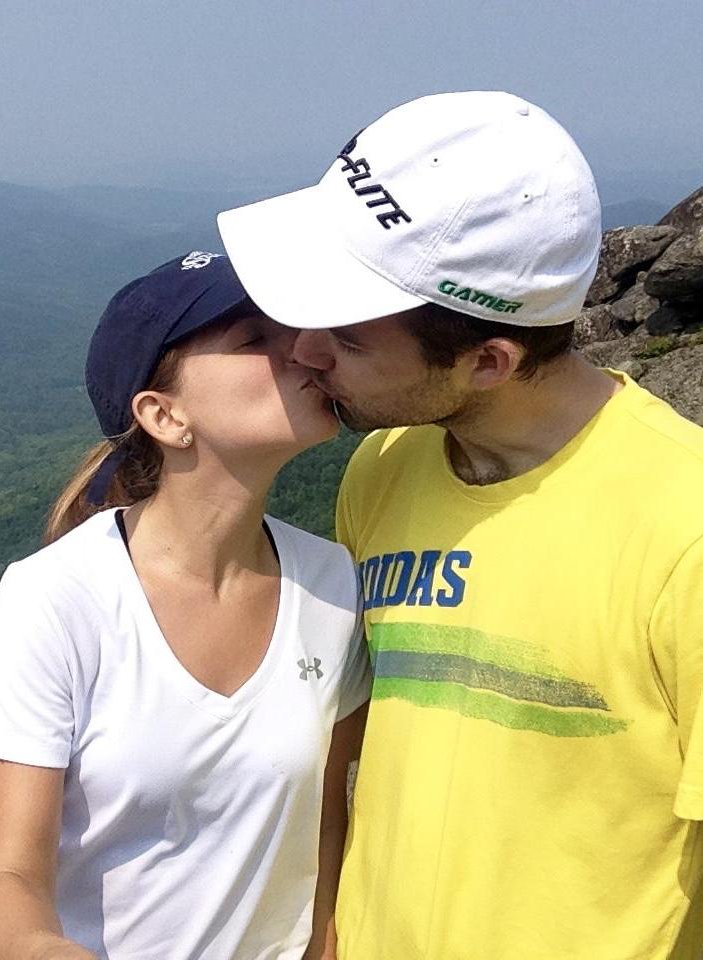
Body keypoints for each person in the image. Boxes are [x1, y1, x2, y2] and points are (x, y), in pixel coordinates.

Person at [217, 91, 703, 959]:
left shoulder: (681, 527)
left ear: (489, 360)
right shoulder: (385, 467)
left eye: (351, 339)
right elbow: (351, 742)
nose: (303, 350)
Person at [0, 251, 371, 960]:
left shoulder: (331, 582)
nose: (303, 351)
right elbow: (12, 876)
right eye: (252, 342)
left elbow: (327, 820)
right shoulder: (56, 599)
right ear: (164, 415)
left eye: (291, 329)